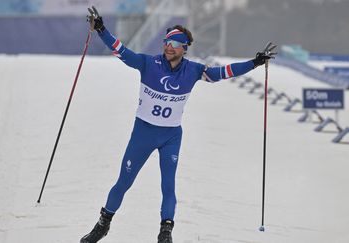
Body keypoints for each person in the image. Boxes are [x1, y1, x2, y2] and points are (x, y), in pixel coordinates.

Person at [81, 6, 276, 243]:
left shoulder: (194, 70)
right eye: (166, 43)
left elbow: (223, 72)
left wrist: (254, 63)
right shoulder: (148, 63)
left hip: (171, 136)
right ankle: (103, 225)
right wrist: (101, 29)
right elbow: (121, 51)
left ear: (183, 48)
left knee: (168, 186)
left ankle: (165, 232)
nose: (167, 47)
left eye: (173, 44)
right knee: (124, 181)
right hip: (143, 133)